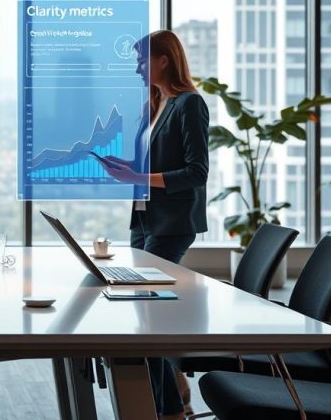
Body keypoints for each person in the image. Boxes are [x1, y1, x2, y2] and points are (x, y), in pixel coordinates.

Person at [100, 29, 209, 420]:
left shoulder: (189, 105)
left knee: (146, 316)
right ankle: (175, 385)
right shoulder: (155, 104)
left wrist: (139, 178)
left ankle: (170, 409)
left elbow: (196, 172)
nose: (137, 68)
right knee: (145, 314)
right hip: (143, 221)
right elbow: (152, 167)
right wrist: (127, 170)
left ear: (164, 60)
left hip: (172, 224)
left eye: (142, 60)